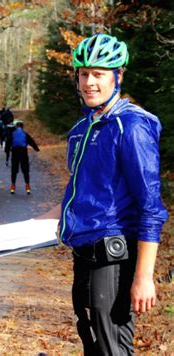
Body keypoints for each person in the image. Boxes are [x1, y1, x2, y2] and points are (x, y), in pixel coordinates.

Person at [40, 33, 168, 355]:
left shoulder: (132, 126)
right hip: (83, 253)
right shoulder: (82, 129)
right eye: (84, 74)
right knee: (92, 345)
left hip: (113, 256)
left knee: (112, 348)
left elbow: (150, 207)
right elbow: (79, 193)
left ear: (118, 76)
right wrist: (32, 225)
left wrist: (144, 277)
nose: (89, 82)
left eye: (98, 74)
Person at [5, 121, 39, 194]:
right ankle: (27, 186)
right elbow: (31, 142)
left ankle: (13, 186)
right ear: (22, 127)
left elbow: (8, 144)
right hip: (23, 153)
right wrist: (36, 149)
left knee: (14, 170)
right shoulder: (25, 134)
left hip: (15, 152)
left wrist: (7, 154)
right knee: (25, 170)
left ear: (16, 127)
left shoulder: (12, 134)